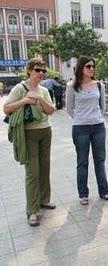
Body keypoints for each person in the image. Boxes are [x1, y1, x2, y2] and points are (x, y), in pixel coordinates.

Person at [3, 58, 56, 226]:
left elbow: (51, 110)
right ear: (29, 70)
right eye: (37, 70)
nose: (41, 73)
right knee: (32, 172)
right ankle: (32, 210)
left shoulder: (44, 90)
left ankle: (44, 200)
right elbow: (6, 109)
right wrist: (25, 100)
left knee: (45, 167)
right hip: (28, 133)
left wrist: (39, 99)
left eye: (43, 71)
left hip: (45, 131)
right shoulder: (20, 88)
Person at [66, 56, 108, 205]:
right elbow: (69, 109)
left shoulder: (99, 85)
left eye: (93, 66)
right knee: (82, 162)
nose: (91, 68)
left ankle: (104, 191)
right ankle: (83, 194)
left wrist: (95, 117)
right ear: (81, 68)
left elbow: (103, 106)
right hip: (80, 128)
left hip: (98, 126)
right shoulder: (71, 86)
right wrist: (82, 118)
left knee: (100, 160)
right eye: (88, 66)